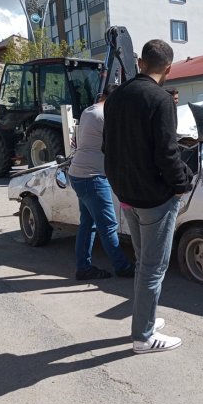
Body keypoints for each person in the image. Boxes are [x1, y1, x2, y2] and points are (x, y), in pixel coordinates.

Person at [104, 39, 193, 354]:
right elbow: (167, 153)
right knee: (153, 267)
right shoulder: (161, 100)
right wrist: (181, 184)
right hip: (154, 197)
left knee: (144, 263)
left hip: (125, 193)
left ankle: (146, 319)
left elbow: (109, 146)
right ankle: (143, 336)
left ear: (140, 62)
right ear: (168, 68)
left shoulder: (115, 98)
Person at [68, 84, 135, 280]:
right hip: (92, 177)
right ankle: (122, 267)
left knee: (88, 224)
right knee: (108, 225)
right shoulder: (105, 115)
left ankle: (83, 267)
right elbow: (119, 146)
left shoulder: (89, 110)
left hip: (78, 174)